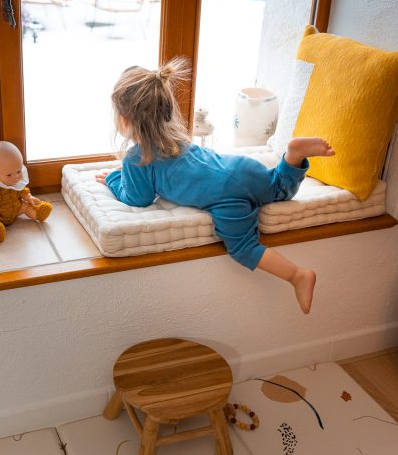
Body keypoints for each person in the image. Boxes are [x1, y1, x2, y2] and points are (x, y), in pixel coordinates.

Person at [95, 60, 335, 314]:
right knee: (278, 188)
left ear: (123, 120)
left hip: (224, 197)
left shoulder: (136, 159)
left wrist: (114, 180)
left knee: (244, 248)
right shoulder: (176, 137)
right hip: (239, 167)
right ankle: (293, 157)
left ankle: (298, 275)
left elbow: (137, 198)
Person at [0, 141, 52, 242]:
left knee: (25, 206)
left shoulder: (16, 180)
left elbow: (23, 190)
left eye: (18, 171)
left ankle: (38, 214)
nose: (16, 177)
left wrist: (29, 197)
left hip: (16, 209)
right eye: (9, 175)